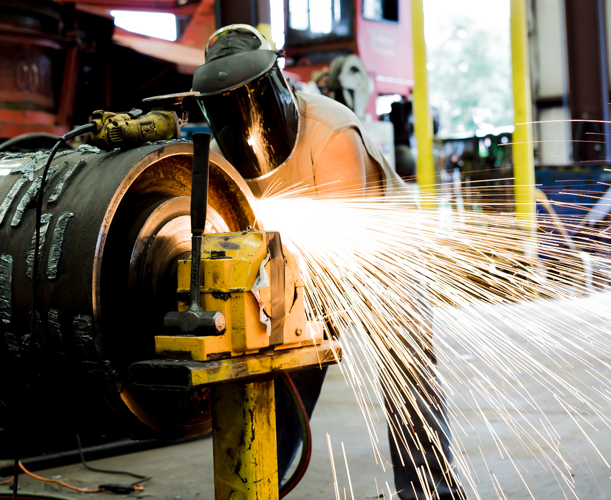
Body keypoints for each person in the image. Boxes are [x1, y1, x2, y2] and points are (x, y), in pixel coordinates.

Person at [191, 24, 465, 500]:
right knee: (282, 373)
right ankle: (259, 485)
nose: (241, 116)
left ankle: (430, 491)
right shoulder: (222, 154)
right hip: (288, 261)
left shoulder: (331, 129)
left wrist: (293, 303)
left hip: (382, 257)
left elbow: (342, 248)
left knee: (407, 370)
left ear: (275, 82)